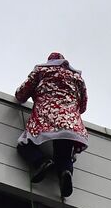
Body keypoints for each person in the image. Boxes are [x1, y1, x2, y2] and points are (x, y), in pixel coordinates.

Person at [14, 53, 88, 198]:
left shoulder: (41, 70)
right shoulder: (77, 77)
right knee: (64, 152)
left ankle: (41, 161)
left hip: (47, 116)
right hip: (70, 121)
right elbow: (83, 105)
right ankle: (65, 172)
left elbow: (21, 94)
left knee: (24, 145)